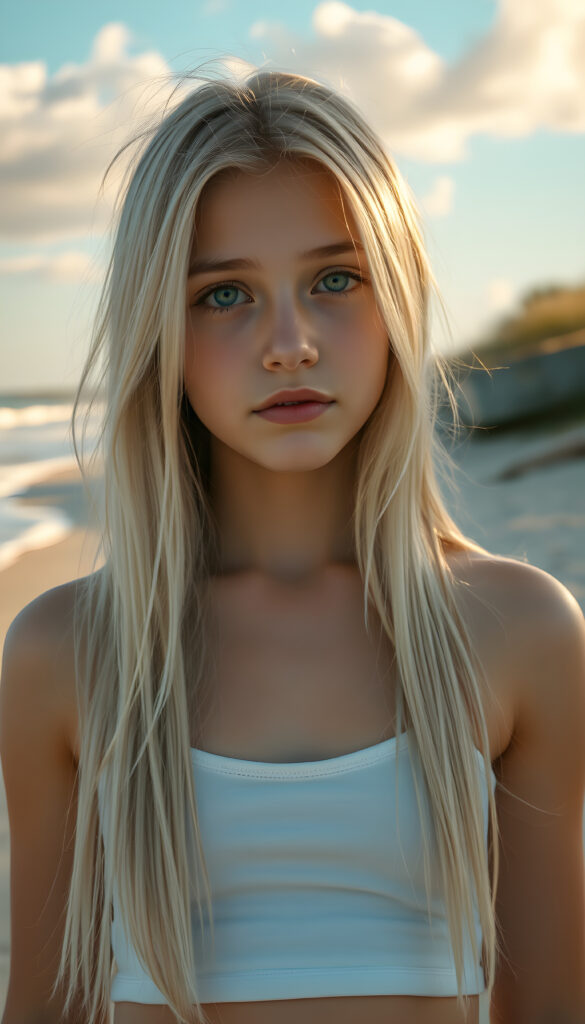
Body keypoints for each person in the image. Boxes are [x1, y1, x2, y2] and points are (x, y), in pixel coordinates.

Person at [1, 68, 584, 1024]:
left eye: (335, 279)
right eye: (224, 294)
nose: (290, 343)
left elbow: (551, 1005)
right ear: (159, 332)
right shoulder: (68, 652)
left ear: (396, 299)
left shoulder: (514, 629)